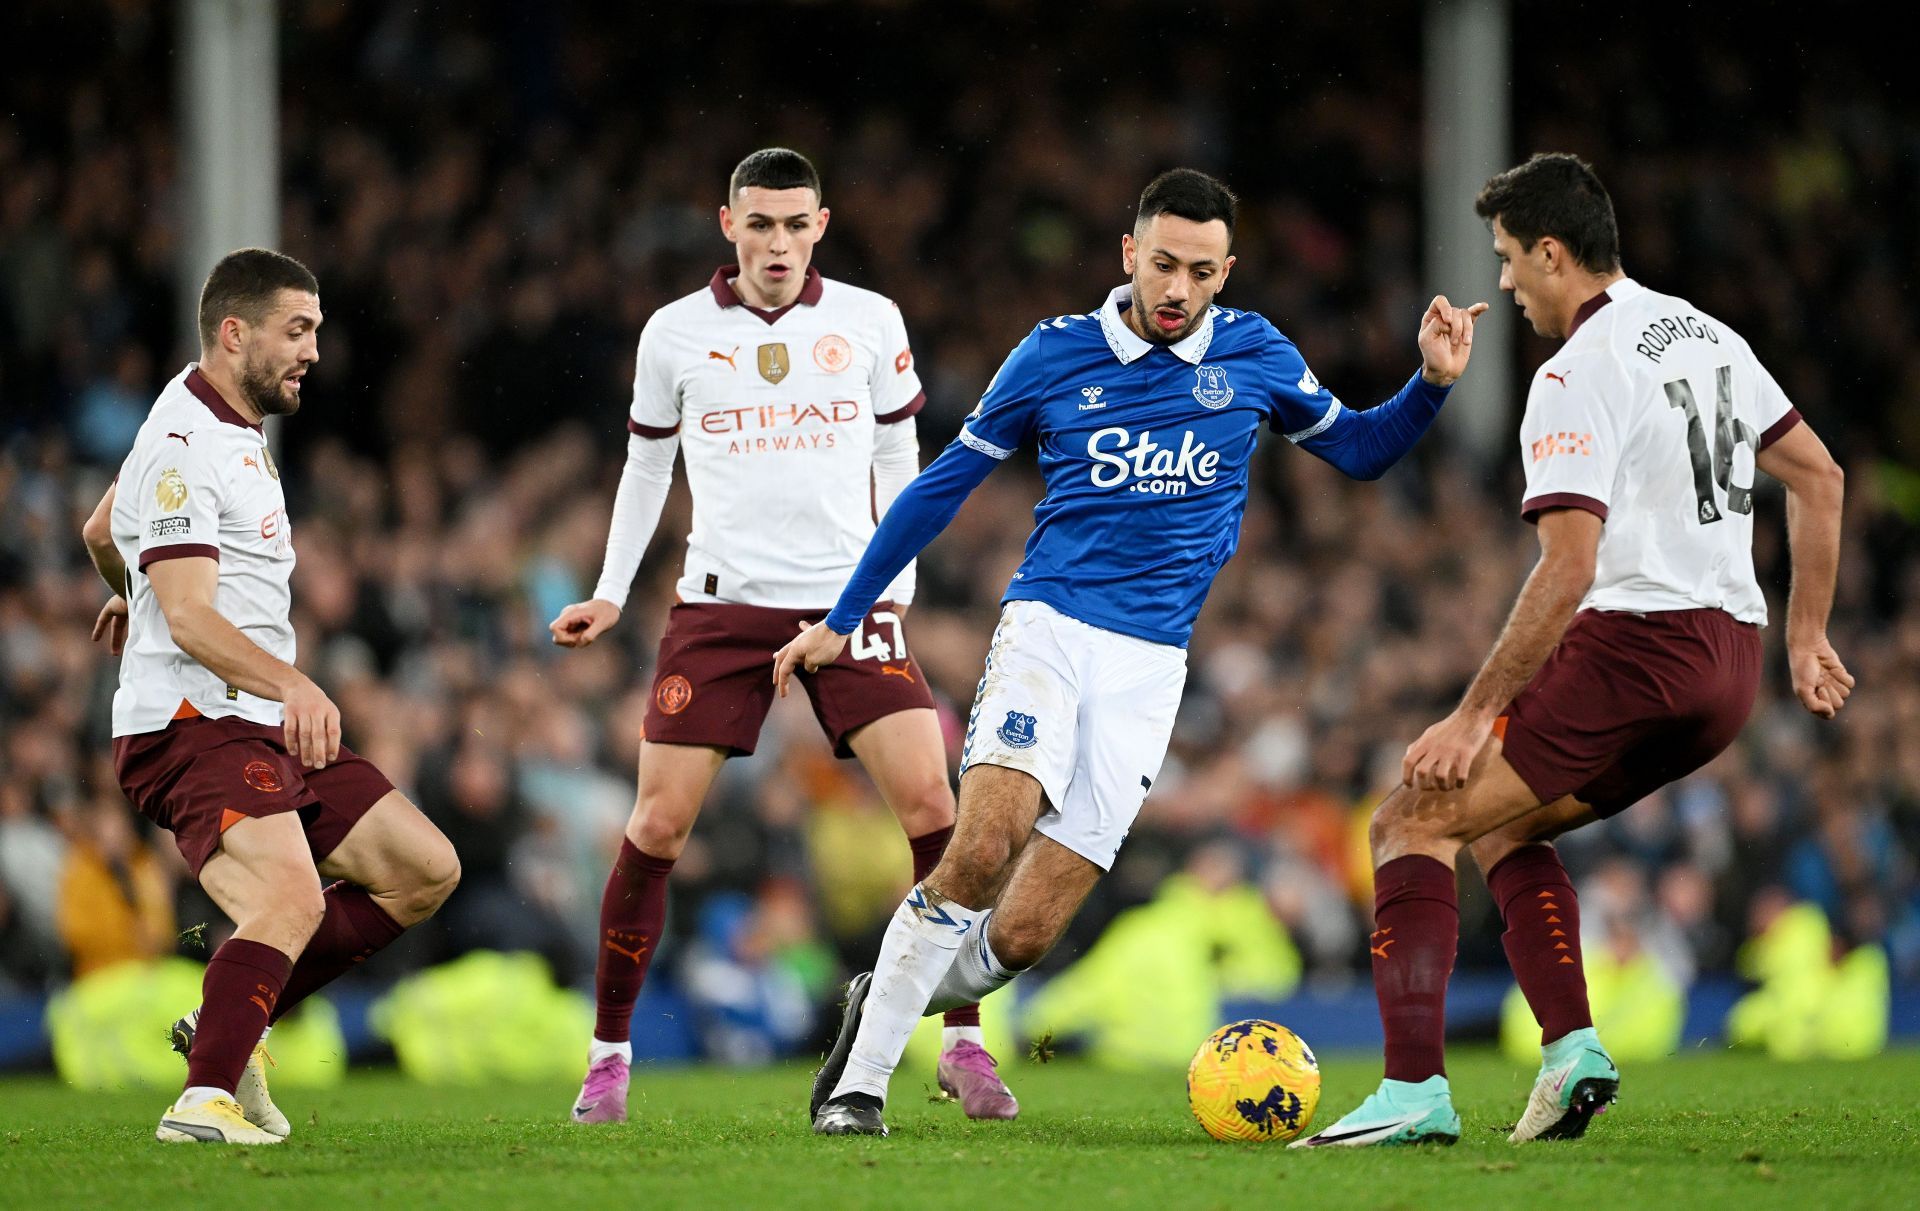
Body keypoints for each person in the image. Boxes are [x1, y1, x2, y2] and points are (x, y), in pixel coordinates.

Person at [778, 167, 1488, 1136]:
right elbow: (940, 487)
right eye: (1162, 264)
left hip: (1152, 666)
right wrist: (845, 612)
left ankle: (885, 992)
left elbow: (1360, 451)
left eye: (1200, 271)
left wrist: (1433, 384)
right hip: (1050, 631)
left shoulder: (1255, 354)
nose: (1177, 289)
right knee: (984, 842)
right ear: (1128, 255)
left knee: (1024, 934)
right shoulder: (1054, 354)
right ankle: (858, 1084)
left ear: (1225, 272)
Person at [1298, 153, 1852, 1149]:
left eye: (1511, 259)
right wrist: (1807, 633)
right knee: (1507, 828)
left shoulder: (1574, 371)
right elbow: (1818, 473)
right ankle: (1571, 1052)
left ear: (1553, 253)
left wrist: (1471, 714)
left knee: (1412, 819)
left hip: (1637, 645)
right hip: (1730, 666)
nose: (1504, 282)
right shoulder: (1707, 332)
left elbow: (1569, 566)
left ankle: (1413, 1088)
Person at [547, 148, 1013, 1124]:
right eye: (760, 224)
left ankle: (963, 1042)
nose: (778, 242)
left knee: (935, 804)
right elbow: (644, 467)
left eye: (796, 225)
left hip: (847, 604)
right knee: (657, 823)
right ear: (728, 225)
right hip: (719, 607)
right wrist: (610, 588)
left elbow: (900, 449)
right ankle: (608, 1055)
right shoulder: (674, 333)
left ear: (822, 225)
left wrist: (898, 584)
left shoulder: (869, 320)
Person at [82, 249, 461, 1145]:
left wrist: (125, 583)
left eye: (317, 331)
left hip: (252, 723)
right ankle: (201, 1101)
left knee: (423, 868)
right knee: (292, 902)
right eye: (298, 331)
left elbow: (102, 527)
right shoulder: (183, 445)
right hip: (191, 728)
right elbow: (187, 615)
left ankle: (229, 1019)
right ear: (233, 331)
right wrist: (288, 677)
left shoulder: (228, 421)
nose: (314, 352)